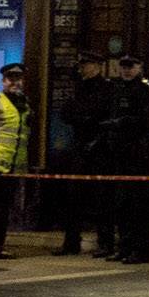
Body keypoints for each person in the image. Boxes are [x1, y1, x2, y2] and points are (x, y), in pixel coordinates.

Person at [99, 51, 149, 262]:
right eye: (123, 66)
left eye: (130, 66)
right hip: (120, 153)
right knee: (122, 204)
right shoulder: (118, 89)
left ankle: (140, 250)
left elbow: (148, 120)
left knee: (137, 205)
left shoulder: (144, 91)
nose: (126, 70)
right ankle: (124, 247)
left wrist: (121, 123)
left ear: (139, 67)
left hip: (138, 154)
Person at [0, 63, 35, 260]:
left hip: (14, 167)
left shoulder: (25, 104)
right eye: (11, 79)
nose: (15, 83)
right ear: (3, 81)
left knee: (3, 211)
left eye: (18, 79)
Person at [55, 53, 108, 255]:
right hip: (79, 146)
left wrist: (86, 119)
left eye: (87, 65)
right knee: (73, 198)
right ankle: (71, 242)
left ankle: (104, 243)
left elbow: (98, 115)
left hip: (99, 148)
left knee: (101, 198)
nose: (83, 69)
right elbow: (66, 114)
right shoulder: (79, 88)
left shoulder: (105, 89)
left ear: (97, 66)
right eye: (82, 65)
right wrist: (83, 118)